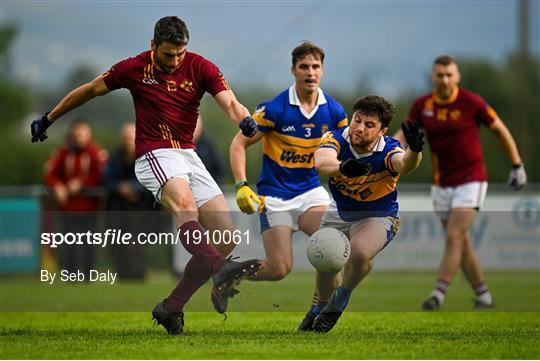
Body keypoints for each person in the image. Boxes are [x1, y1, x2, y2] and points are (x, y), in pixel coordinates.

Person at [30, 16, 262, 335]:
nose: (176, 60)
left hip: (188, 155)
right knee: (184, 205)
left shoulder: (201, 67)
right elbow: (90, 90)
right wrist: (50, 117)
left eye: (181, 53)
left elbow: (232, 104)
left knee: (226, 238)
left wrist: (244, 121)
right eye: (169, 54)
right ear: (153, 46)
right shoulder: (133, 68)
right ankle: (221, 270)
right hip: (154, 153)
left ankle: (172, 307)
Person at [395, 55, 527, 310]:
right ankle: (484, 296)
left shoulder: (472, 102)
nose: (444, 79)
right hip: (441, 182)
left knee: (455, 236)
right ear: (433, 77)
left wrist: (517, 164)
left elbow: (500, 130)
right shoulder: (423, 105)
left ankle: (437, 294)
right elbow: (402, 136)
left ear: (457, 77)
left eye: (449, 74)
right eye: (440, 75)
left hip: (471, 180)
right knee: (461, 242)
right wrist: (383, 153)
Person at [229, 42, 348, 301]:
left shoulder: (335, 112)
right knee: (279, 268)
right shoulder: (275, 109)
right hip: (275, 197)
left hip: (311, 193)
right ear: (293, 70)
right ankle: (228, 273)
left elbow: (345, 155)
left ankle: (319, 310)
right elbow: (238, 143)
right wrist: (242, 185)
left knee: (335, 249)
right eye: (304, 66)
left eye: (316, 67)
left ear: (322, 71)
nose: (310, 72)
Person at [298, 95, 424, 333]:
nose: (359, 128)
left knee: (360, 252)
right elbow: (321, 163)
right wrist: (342, 167)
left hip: (378, 214)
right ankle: (320, 307)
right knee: (325, 264)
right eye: (357, 120)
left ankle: (339, 301)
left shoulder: (388, 149)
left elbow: (403, 163)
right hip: (339, 212)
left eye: (369, 125)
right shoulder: (335, 138)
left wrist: (414, 150)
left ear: (382, 131)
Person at [44, 120, 107, 279]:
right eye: (77, 133)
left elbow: (102, 174)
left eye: (82, 133)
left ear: (89, 135)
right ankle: (71, 276)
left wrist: (81, 184)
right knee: (69, 244)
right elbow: (49, 172)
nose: (79, 137)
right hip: (67, 208)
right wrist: (57, 185)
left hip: (90, 208)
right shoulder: (62, 152)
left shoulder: (96, 152)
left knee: (89, 244)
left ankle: (87, 276)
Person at [104, 123, 155, 280]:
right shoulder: (114, 157)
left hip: (140, 208)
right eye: (125, 138)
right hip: (117, 207)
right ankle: (122, 275)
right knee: (116, 242)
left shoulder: (147, 157)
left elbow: (152, 178)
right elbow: (107, 179)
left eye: (130, 137)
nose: (128, 141)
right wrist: (120, 188)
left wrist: (134, 189)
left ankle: (138, 275)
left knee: (135, 243)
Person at [193, 116, 226, 184]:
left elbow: (220, 168)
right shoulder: (177, 145)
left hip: (207, 186)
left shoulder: (208, 144)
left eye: (195, 125)